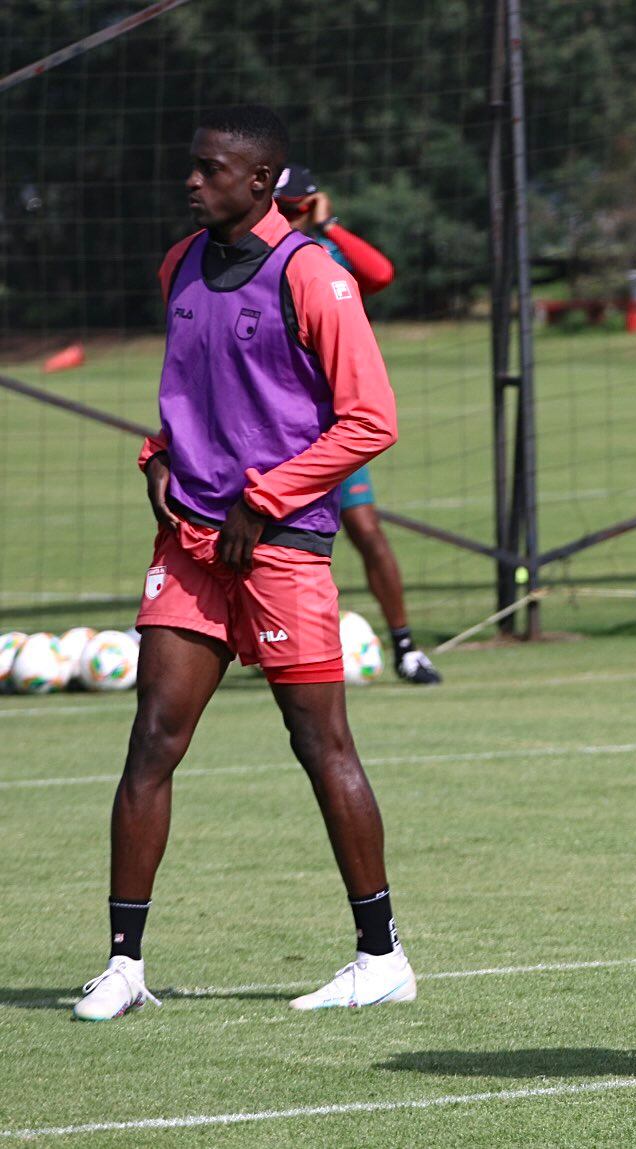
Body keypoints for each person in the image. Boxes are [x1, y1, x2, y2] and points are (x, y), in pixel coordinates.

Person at [72, 106, 416, 1020]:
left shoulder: (313, 274)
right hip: (189, 544)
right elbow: (196, 391)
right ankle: (123, 964)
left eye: (211, 169)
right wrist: (158, 455)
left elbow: (370, 420)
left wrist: (262, 500)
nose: (192, 181)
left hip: (282, 549)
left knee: (320, 745)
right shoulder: (178, 264)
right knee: (153, 738)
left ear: (262, 182)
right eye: (192, 166)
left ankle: (380, 955)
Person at [274, 165, 441, 685]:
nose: (285, 214)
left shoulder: (326, 256)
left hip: (328, 428)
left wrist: (329, 226)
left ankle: (407, 647)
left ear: (308, 204)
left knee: (366, 530)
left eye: (293, 206)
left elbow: (382, 273)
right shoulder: (252, 255)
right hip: (271, 423)